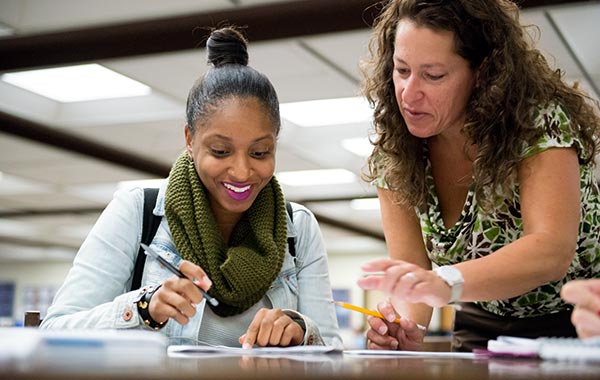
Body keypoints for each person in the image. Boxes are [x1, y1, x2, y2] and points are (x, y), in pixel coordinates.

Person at [41, 26, 342, 349]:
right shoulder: (137, 212)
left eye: (259, 153)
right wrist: (143, 309)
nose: (242, 171)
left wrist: (299, 329)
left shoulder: (298, 229)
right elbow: (53, 331)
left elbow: (332, 352)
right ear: (189, 139)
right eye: (220, 151)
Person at [356, 0, 600, 352]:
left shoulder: (536, 124)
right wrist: (406, 325)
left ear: (483, 73)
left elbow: (550, 250)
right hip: (481, 322)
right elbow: (415, 273)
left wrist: (445, 281)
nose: (409, 93)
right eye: (402, 70)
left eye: (433, 75)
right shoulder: (395, 152)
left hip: (576, 323)